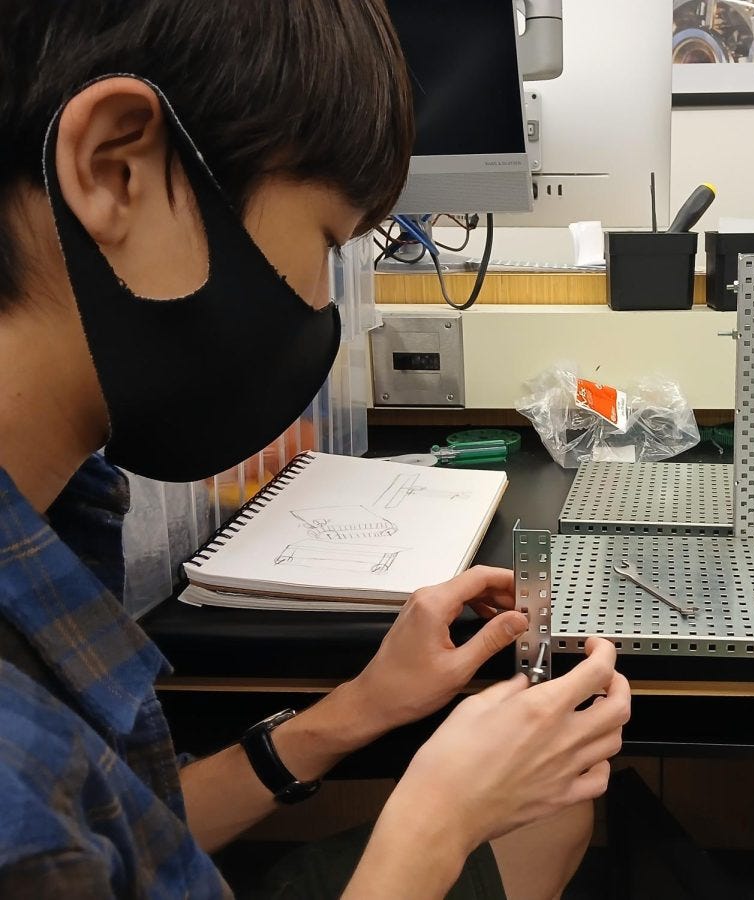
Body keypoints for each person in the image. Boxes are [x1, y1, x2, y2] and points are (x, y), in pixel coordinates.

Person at [0, 3, 629, 898]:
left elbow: (128, 833)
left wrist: (360, 712)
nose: (319, 302)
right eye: (328, 242)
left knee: (549, 808)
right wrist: (436, 819)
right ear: (113, 167)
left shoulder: (51, 511)